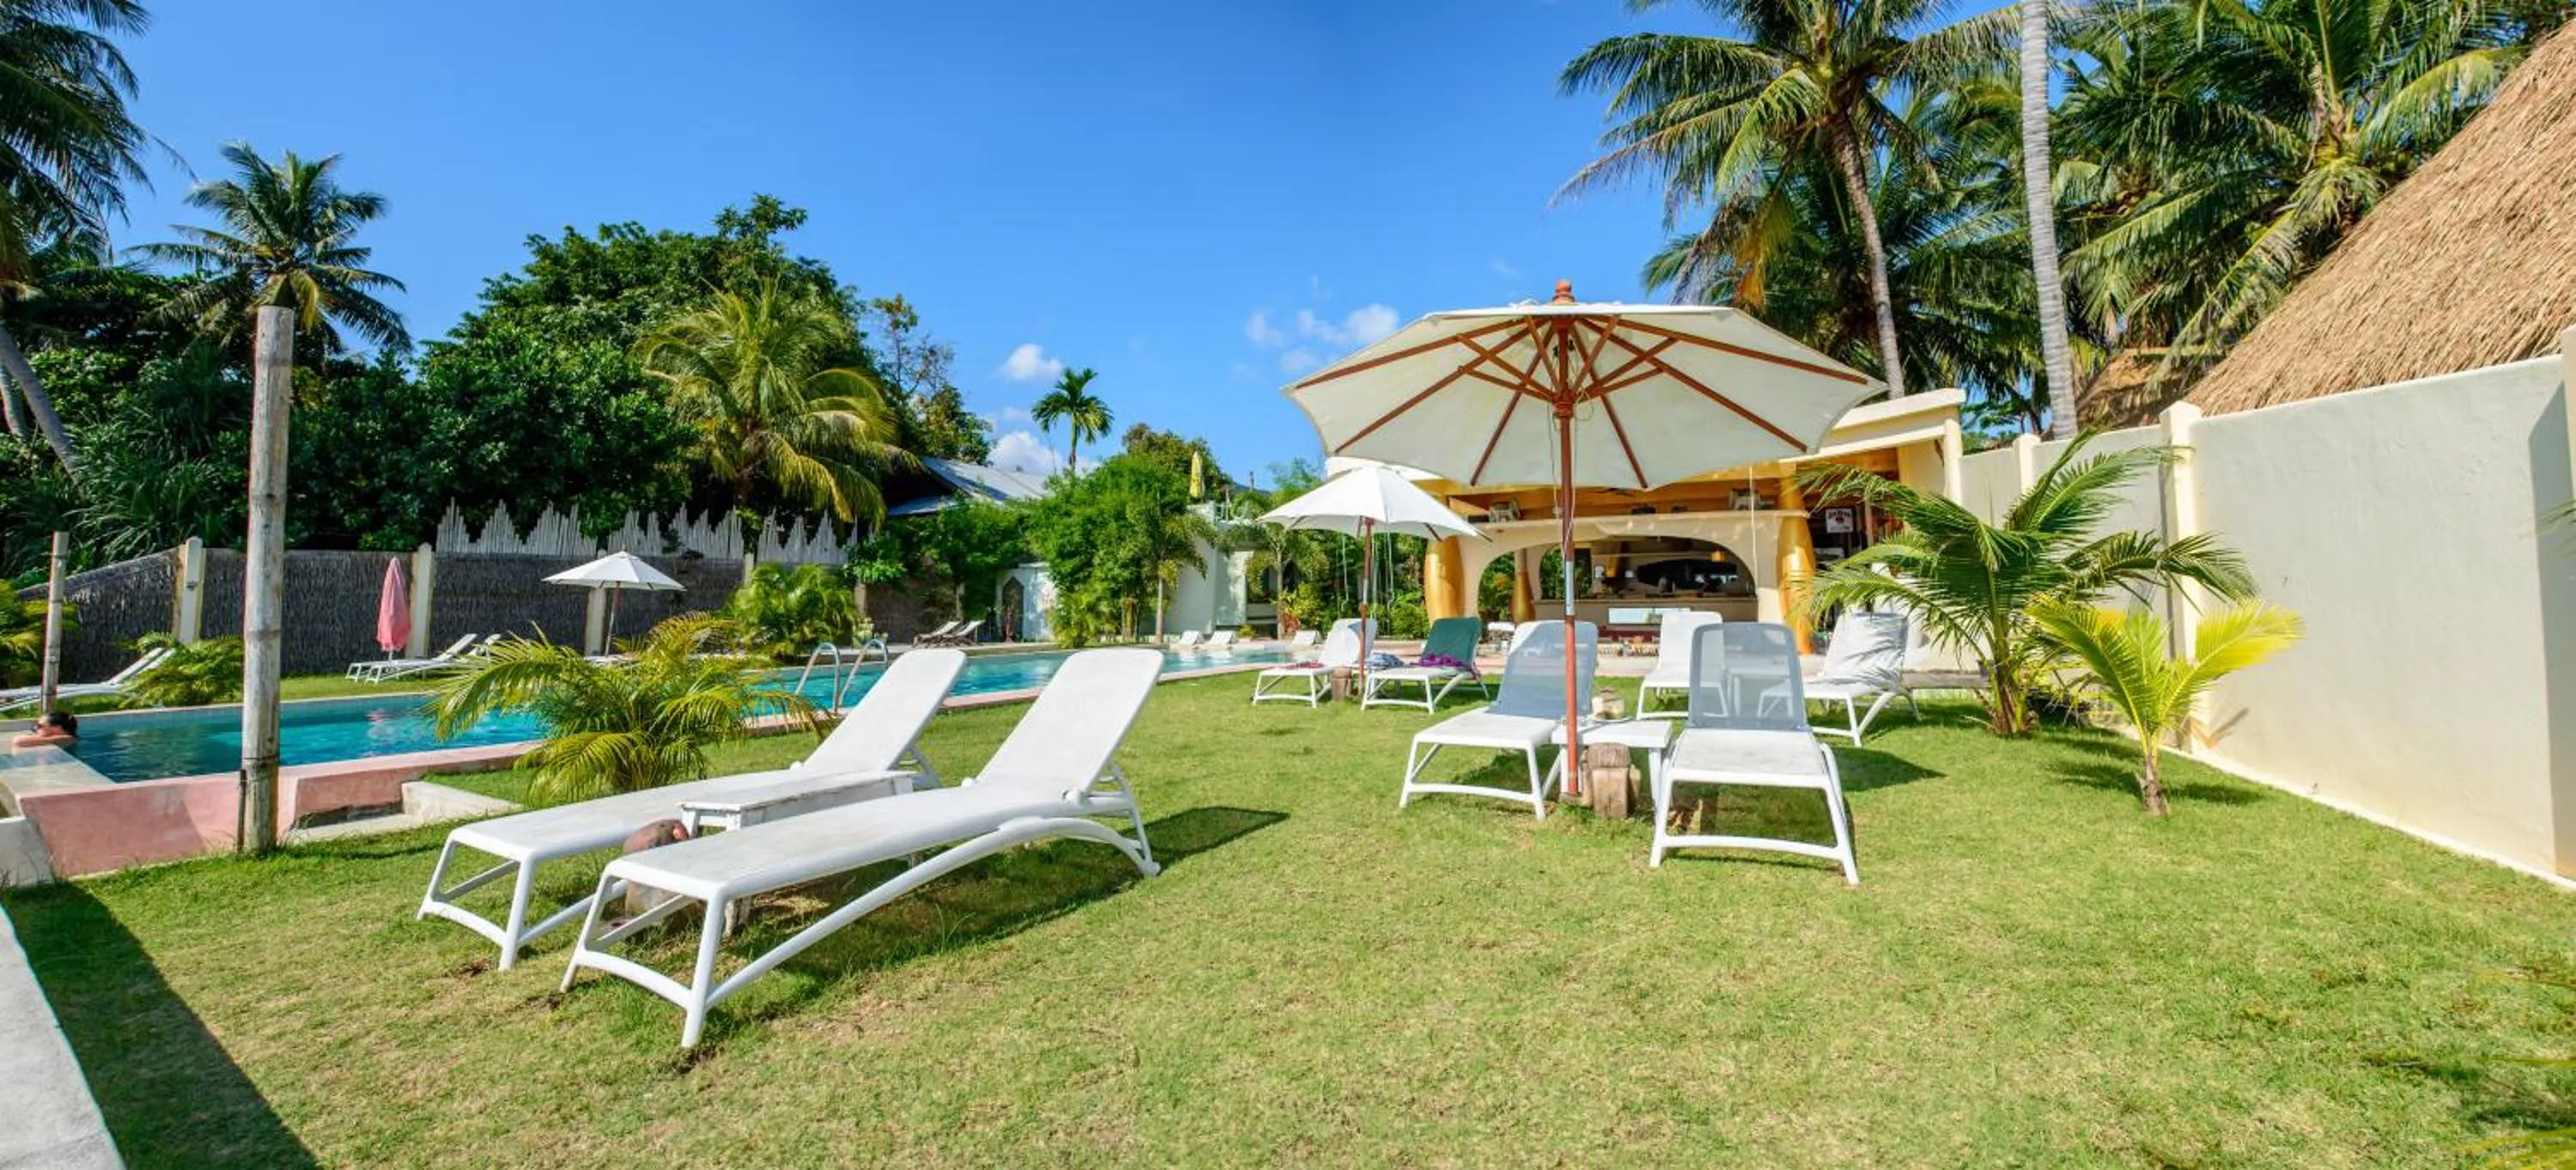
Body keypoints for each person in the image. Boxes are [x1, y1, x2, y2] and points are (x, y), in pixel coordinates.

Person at [11, 709, 76, 749]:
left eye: (40, 726)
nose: (35, 728)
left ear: (58, 728)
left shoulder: (68, 738)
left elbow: (18, 741)